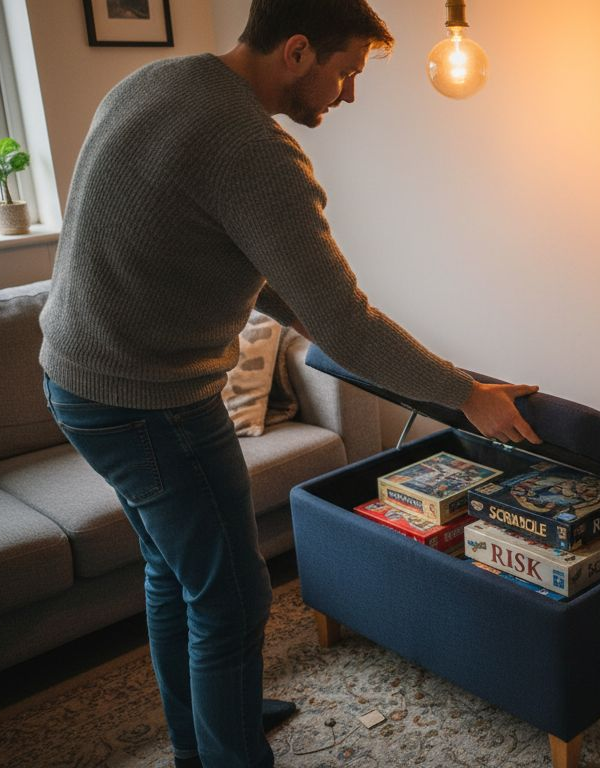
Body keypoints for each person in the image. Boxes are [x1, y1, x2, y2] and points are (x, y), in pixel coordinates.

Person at [39, 1, 539, 766]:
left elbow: (247, 265)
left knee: (174, 573)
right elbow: (348, 323)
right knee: (234, 597)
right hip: (148, 404)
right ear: (298, 51)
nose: (347, 96)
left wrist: (375, 344)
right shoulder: (254, 150)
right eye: (346, 74)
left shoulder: (157, 83)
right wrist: (466, 394)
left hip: (77, 380)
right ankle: (228, 748)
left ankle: (204, 731)